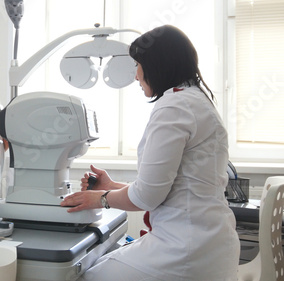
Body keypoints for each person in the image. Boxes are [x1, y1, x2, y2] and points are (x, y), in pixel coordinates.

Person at [61, 25, 240, 281]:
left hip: (184, 251)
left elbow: (147, 196)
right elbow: (175, 189)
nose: (135, 76)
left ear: (157, 64)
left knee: (85, 276)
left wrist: (99, 198)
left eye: (138, 65)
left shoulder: (174, 106)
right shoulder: (195, 99)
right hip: (210, 244)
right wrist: (111, 186)